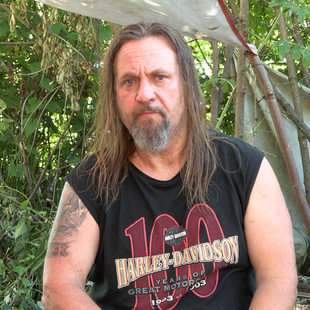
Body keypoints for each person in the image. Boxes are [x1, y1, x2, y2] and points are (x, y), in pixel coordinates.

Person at [42, 22, 297, 309]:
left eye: (159, 77)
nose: (144, 94)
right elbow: (58, 287)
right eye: (129, 81)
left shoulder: (245, 167)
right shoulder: (91, 181)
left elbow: (278, 279)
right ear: (115, 95)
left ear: (186, 85)